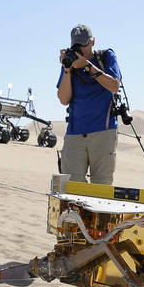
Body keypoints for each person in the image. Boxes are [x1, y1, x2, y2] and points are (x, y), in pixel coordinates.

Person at [56, 24, 122, 184]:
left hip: (103, 132)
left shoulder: (106, 57)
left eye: (83, 44)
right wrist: (67, 69)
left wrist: (87, 66)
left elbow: (114, 86)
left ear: (92, 41)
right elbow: (64, 99)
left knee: (101, 188)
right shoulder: (70, 63)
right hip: (75, 133)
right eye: (76, 45)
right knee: (71, 187)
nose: (80, 49)